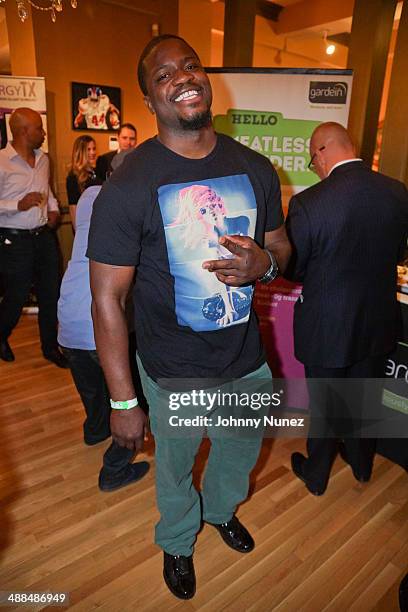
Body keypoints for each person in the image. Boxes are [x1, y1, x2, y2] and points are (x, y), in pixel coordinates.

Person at [87, 35, 291, 600]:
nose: (182, 77)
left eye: (190, 65)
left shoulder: (254, 167)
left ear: (206, 78)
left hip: (246, 363)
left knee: (237, 456)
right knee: (175, 473)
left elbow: (280, 246)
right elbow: (106, 299)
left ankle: (221, 511)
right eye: (163, 75)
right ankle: (178, 541)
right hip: (174, 370)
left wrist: (266, 263)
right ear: (149, 99)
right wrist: (124, 402)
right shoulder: (128, 186)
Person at [286, 122, 408, 496]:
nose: (315, 167)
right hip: (378, 323)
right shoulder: (397, 192)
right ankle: (361, 466)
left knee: (325, 405)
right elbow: (401, 252)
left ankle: (317, 474)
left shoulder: (309, 203)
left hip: (329, 326)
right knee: (364, 398)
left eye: (312, 159)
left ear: (322, 150)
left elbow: (293, 270)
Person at [58, 149, 149, 491]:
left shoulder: (88, 196)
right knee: (131, 400)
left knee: (92, 388)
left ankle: (95, 430)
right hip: (103, 323)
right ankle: (114, 469)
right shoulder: (130, 204)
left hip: (69, 316)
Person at [0, 107, 67, 368]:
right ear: (24, 131)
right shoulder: (2, 161)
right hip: (14, 241)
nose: (43, 132)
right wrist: (18, 204)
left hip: (43, 237)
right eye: (39, 128)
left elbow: (46, 191)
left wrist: (52, 207)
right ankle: (2, 334)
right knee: (16, 296)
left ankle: (50, 347)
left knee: (51, 294)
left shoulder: (44, 159)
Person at [66, 135, 97, 229]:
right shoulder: (73, 177)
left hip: (98, 223)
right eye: (88, 149)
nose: (92, 152)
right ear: (80, 152)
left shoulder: (95, 171)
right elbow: (73, 208)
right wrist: (79, 233)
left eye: (94, 148)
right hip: (85, 226)